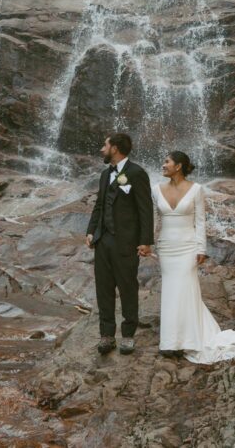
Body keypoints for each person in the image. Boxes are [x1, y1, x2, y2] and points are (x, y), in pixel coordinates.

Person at [152, 151, 235, 364]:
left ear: (178, 166)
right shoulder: (156, 189)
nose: (163, 165)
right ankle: (169, 342)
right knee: (170, 290)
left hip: (187, 246)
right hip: (166, 246)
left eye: (167, 161)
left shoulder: (196, 189)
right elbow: (155, 220)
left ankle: (188, 340)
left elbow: (200, 221)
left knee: (185, 288)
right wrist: (147, 243)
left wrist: (201, 248)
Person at [85, 133, 154, 355]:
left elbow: (145, 209)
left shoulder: (137, 173)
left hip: (126, 242)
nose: (101, 149)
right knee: (103, 287)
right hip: (102, 240)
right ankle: (106, 335)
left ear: (115, 148)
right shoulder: (105, 175)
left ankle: (127, 335)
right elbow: (99, 205)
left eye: (105, 145)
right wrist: (90, 231)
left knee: (127, 287)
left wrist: (145, 241)